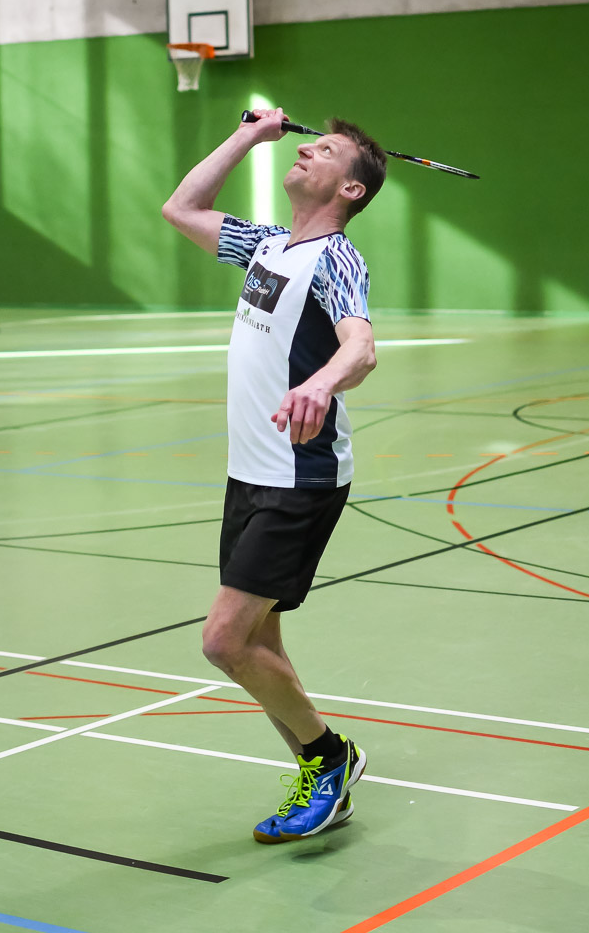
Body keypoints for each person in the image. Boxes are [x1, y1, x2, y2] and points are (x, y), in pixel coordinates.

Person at [162, 106, 386, 843]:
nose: (308, 149)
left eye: (326, 151)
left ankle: (329, 759)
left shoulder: (336, 259)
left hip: (300, 477)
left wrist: (320, 383)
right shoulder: (265, 246)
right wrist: (247, 136)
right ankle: (321, 781)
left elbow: (360, 347)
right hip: (249, 472)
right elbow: (181, 208)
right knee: (262, 643)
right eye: (308, 143)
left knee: (224, 642)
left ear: (350, 190)